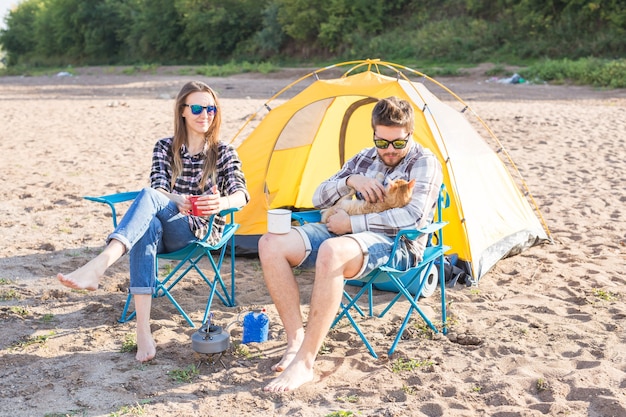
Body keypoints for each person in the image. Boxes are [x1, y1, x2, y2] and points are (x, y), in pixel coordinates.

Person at [258, 96, 443, 392]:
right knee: (271, 243)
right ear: (374, 134)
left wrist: (353, 225)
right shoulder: (363, 158)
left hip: (396, 244)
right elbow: (318, 197)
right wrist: (351, 182)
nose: (390, 151)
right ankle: (295, 343)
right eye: (382, 143)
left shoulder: (424, 162)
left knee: (333, 251)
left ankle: (305, 363)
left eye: (397, 143)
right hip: (341, 231)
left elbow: (414, 217)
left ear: (410, 134)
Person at [57, 81, 249, 362]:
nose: (204, 114)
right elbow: (158, 188)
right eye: (197, 108)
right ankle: (143, 333)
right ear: (182, 111)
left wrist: (221, 203)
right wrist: (176, 200)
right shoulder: (165, 147)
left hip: (198, 231)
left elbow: (242, 195)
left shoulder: (223, 151)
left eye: (210, 108)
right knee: (147, 223)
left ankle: (100, 265)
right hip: (164, 225)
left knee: (148, 201)